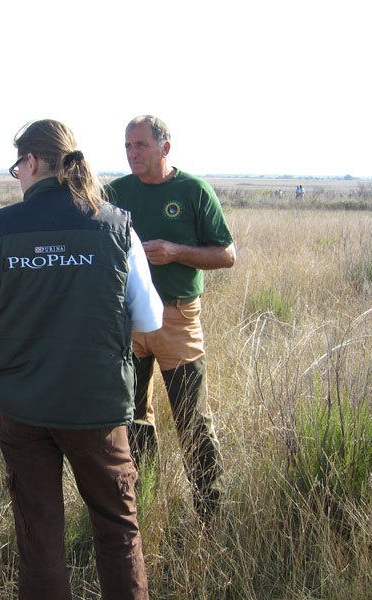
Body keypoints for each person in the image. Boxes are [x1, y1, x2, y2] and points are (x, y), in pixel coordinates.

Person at [0, 119, 163, 600]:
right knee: (118, 529)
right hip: (98, 408)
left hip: (22, 408)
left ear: (29, 163)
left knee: (38, 536)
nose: (17, 177)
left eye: (16, 168)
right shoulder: (116, 226)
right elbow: (148, 323)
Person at [106, 115, 236, 525]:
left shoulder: (193, 191)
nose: (132, 154)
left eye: (141, 145)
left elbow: (227, 254)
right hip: (127, 321)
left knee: (193, 419)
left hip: (177, 318)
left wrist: (175, 251)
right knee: (132, 417)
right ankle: (142, 506)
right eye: (128, 146)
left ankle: (209, 517)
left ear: (165, 147)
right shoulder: (114, 192)